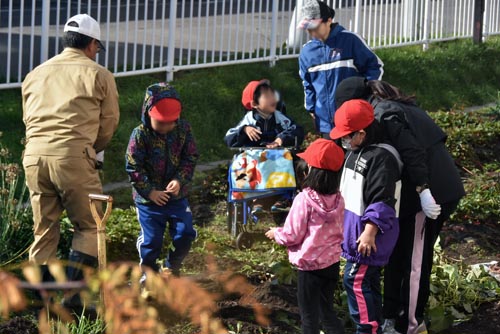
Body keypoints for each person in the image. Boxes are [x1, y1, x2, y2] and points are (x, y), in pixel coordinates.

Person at [335, 78, 465, 334]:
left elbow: (413, 153)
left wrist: (423, 191)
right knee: (397, 254)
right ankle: (391, 315)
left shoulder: (385, 113)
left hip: (431, 192)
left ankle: (413, 325)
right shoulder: (384, 109)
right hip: (413, 193)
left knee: (415, 260)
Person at [21, 13, 119, 312]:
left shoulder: (36, 73)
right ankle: (72, 298)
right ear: (92, 44)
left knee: (44, 228)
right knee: (89, 225)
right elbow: (109, 122)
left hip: (34, 156)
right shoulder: (98, 74)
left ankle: (39, 301)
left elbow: (28, 118)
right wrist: (91, 150)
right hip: (73, 155)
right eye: (97, 48)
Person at [329, 99, 402, 334]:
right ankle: (376, 325)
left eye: (347, 135)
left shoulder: (381, 158)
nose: (344, 140)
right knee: (368, 281)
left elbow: (382, 199)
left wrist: (370, 232)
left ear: (361, 133)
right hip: (355, 236)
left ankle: (367, 329)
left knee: (354, 280)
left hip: (368, 239)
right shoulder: (355, 151)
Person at [265, 138, 345, 334]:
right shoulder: (338, 198)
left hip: (309, 268)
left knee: (309, 317)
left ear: (310, 171)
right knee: (327, 311)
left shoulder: (304, 199)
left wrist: (276, 233)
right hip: (331, 264)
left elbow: (292, 235)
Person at [125, 83, 198, 280]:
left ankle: (172, 267)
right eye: (161, 122)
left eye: (171, 122)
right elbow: (133, 167)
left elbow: (190, 158)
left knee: (185, 233)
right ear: (148, 113)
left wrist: (179, 180)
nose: (166, 127)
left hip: (176, 196)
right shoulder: (140, 135)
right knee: (152, 241)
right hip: (149, 201)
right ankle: (148, 274)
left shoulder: (183, 130)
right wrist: (150, 192)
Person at [298, 0, 384, 137]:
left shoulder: (351, 40)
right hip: (325, 124)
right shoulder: (306, 52)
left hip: (353, 119)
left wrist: (366, 95)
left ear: (329, 20)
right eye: (307, 27)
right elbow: (307, 83)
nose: (310, 31)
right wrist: (312, 109)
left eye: (314, 26)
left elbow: (375, 67)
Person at [224, 79, 304, 212]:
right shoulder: (249, 120)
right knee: (247, 163)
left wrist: (281, 139)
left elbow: (297, 129)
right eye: (266, 96)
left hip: (278, 157)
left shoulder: (280, 118)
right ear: (254, 104)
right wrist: (243, 130)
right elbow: (229, 138)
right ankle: (257, 199)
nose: (273, 98)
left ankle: (283, 197)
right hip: (256, 159)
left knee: (288, 159)